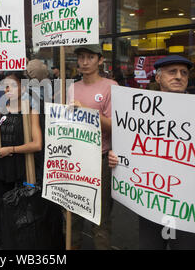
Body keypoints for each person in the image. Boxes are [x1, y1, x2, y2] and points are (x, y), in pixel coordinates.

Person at [108, 55, 195, 250]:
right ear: (158, 78)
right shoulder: (139, 111)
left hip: (186, 206)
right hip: (150, 203)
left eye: (183, 73)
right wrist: (117, 159)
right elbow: (128, 149)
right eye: (172, 72)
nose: (179, 76)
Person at [65, 44, 118, 250]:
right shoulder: (72, 87)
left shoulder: (111, 87)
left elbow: (115, 126)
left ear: (100, 60)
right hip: (74, 159)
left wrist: (87, 111)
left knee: (100, 218)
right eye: (81, 58)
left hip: (99, 160)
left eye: (90, 57)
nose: (85, 62)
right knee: (71, 214)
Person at [0, 71, 43, 250]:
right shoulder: (0, 111)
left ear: (23, 88)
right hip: (4, 167)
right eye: (5, 85)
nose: (8, 88)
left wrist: (11, 149)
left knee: (22, 207)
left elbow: (37, 144)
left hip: (23, 167)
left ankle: (21, 242)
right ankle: (2, 237)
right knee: (4, 205)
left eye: (13, 85)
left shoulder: (30, 111)